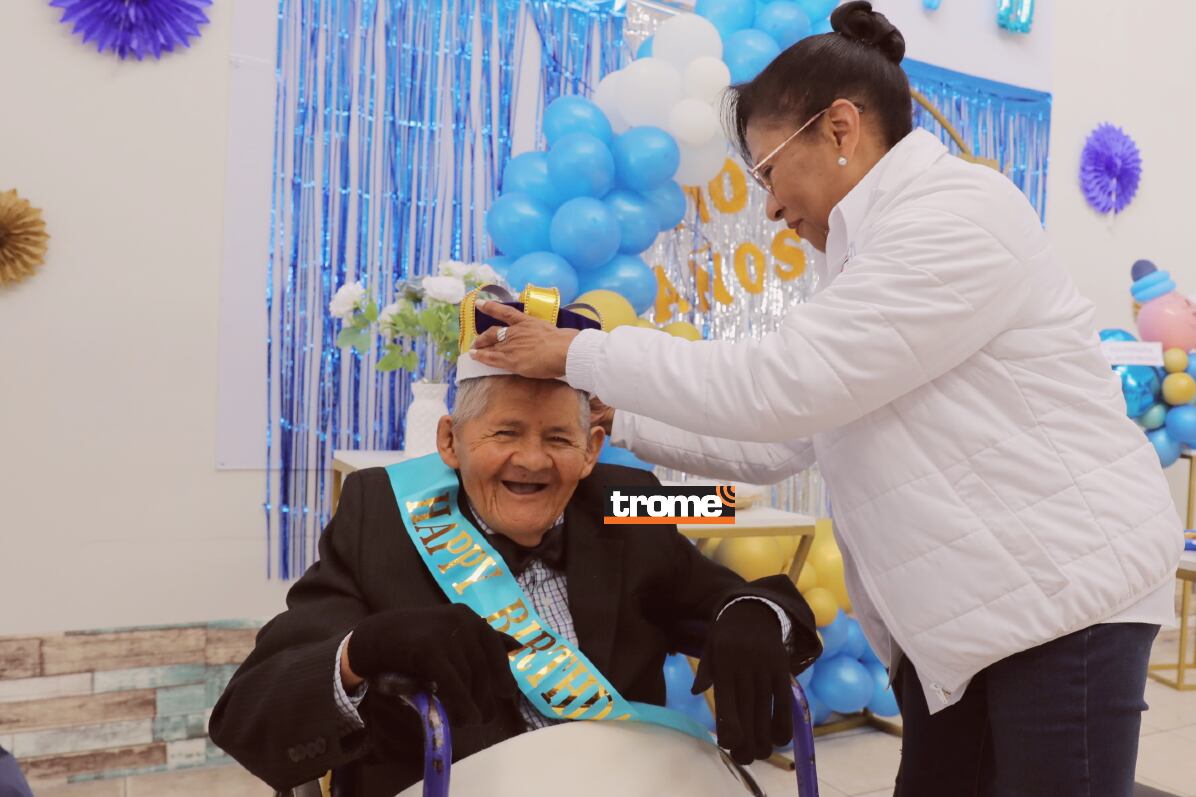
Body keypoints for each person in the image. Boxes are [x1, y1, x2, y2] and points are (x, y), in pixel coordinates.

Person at [467, 4, 1184, 795]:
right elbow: (781, 437)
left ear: (841, 128)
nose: (772, 207)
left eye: (768, 172)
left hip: (1059, 599)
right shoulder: (866, 259)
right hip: (971, 616)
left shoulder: (955, 215)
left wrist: (582, 353)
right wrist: (617, 417)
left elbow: (784, 387)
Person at [210, 295, 820, 797]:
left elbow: (729, 591)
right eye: (505, 432)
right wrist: (359, 652)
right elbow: (249, 710)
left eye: (558, 437)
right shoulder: (380, 512)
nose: (531, 460)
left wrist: (752, 614)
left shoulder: (628, 499)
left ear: (591, 450)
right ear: (450, 442)